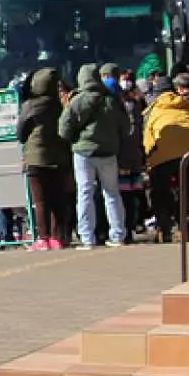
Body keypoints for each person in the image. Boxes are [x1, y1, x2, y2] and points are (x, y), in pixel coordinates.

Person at [60, 63, 127, 250]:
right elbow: (125, 127)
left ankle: (87, 238)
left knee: (85, 193)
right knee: (112, 193)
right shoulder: (111, 100)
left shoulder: (76, 101)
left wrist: (75, 139)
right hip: (108, 152)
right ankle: (118, 235)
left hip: (83, 153)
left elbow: (63, 129)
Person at [144, 76, 189, 243]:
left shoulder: (153, 109)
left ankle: (163, 230)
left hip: (164, 155)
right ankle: (186, 229)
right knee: (186, 190)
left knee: (159, 190)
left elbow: (147, 137)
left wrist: (148, 160)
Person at [14, 68, 71, 250]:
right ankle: (58, 237)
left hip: (35, 158)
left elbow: (20, 133)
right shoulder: (60, 105)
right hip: (59, 157)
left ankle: (43, 238)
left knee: (40, 201)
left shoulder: (30, 106)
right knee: (57, 199)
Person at [115, 67, 149, 242]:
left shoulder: (120, 106)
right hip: (135, 155)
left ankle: (128, 229)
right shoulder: (138, 104)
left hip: (123, 157)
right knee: (135, 193)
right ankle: (136, 223)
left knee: (125, 195)